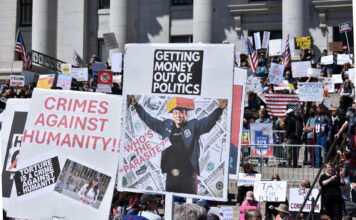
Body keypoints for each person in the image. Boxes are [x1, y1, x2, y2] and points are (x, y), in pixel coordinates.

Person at [129, 96, 227, 194]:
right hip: (172, 176)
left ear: (186, 114)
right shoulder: (166, 125)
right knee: (171, 202)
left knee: (189, 202)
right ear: (173, 115)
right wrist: (136, 105)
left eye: (181, 112)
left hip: (189, 177)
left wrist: (220, 109)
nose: (178, 115)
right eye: (176, 113)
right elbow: (148, 119)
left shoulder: (193, 125)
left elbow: (208, 122)